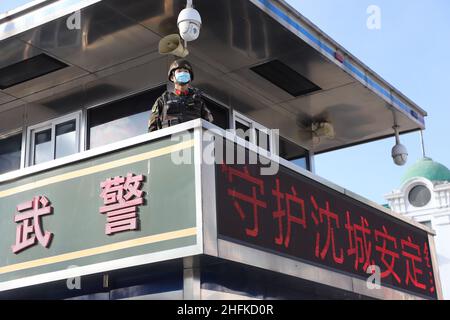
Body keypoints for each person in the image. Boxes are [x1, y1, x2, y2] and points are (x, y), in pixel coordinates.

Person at [148, 59, 214, 132]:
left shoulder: (198, 101)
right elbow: (152, 129)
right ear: (172, 77)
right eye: (179, 71)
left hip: (194, 141)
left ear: (190, 77)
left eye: (186, 71)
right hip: (170, 142)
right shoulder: (163, 100)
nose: (183, 73)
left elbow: (210, 127)